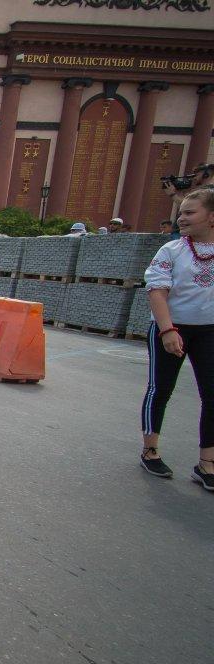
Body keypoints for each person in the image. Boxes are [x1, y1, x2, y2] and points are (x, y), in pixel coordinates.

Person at [139, 187, 214, 491]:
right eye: (181, 212)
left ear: (211, 217)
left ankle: (207, 461)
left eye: (189, 212)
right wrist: (168, 330)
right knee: (161, 388)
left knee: (212, 394)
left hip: (208, 331)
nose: (181, 218)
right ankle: (150, 449)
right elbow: (157, 290)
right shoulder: (171, 251)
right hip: (170, 328)